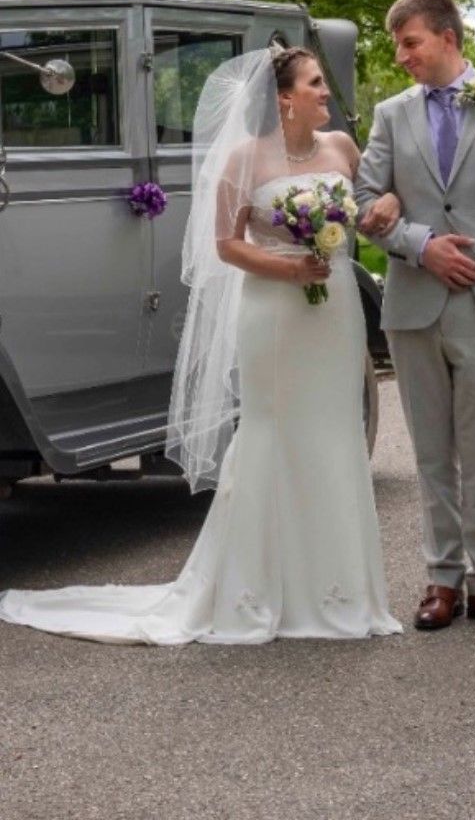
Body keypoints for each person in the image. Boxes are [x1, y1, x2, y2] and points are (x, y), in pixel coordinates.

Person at [0, 48, 402, 645]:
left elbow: (369, 208)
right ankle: (256, 586)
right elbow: (226, 244)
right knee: (272, 430)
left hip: (334, 306)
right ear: (284, 98)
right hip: (274, 309)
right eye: (316, 83)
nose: (326, 92)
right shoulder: (244, 157)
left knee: (334, 431)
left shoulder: (342, 147)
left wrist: (388, 205)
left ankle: (339, 589)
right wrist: (289, 268)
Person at [355, 0, 475, 633]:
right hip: (412, 306)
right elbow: (362, 202)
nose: (402, 56)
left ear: (447, 38)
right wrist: (420, 245)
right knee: (431, 456)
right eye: (398, 46)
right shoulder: (390, 114)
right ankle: (442, 579)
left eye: (410, 43)